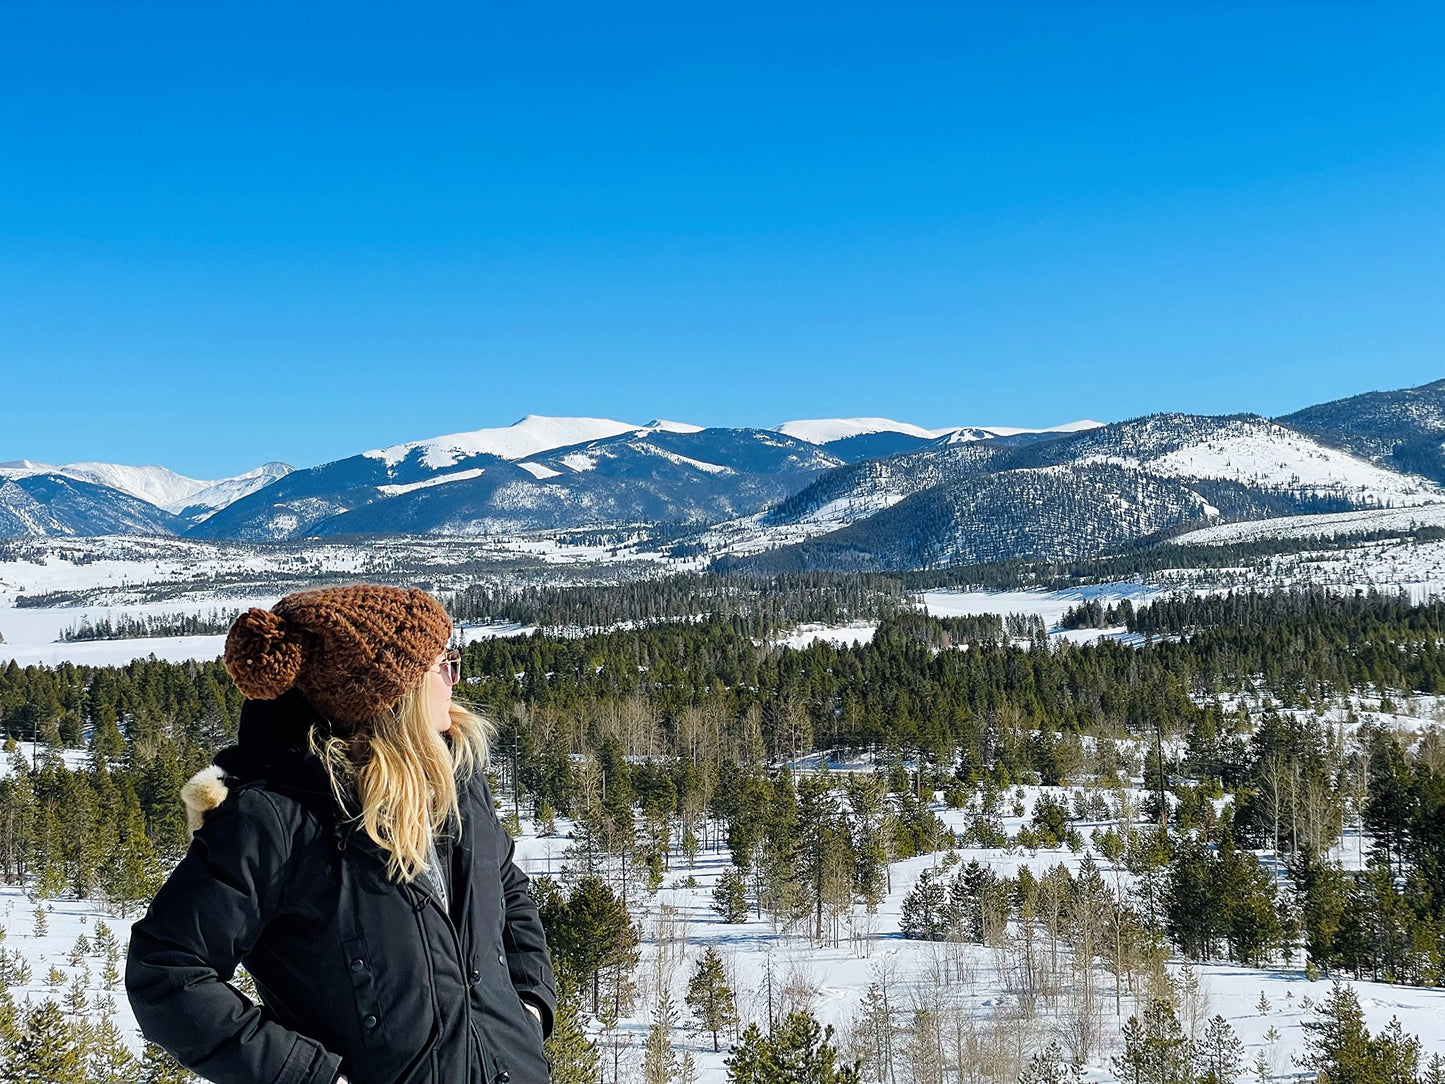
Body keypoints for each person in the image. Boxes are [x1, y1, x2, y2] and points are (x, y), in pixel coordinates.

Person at [126, 585, 556, 1084]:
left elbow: (504, 884)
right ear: (391, 695)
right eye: (442, 662)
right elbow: (166, 971)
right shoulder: (276, 817)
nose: (453, 678)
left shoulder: (455, 773)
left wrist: (528, 1006)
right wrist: (310, 1076)